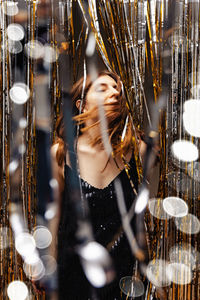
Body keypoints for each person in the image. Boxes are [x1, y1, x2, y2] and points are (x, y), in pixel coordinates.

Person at [51, 70, 148, 299]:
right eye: (103, 88)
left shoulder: (138, 150)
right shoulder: (60, 153)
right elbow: (52, 217)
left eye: (117, 89)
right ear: (82, 105)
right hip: (73, 275)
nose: (114, 93)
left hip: (126, 278)